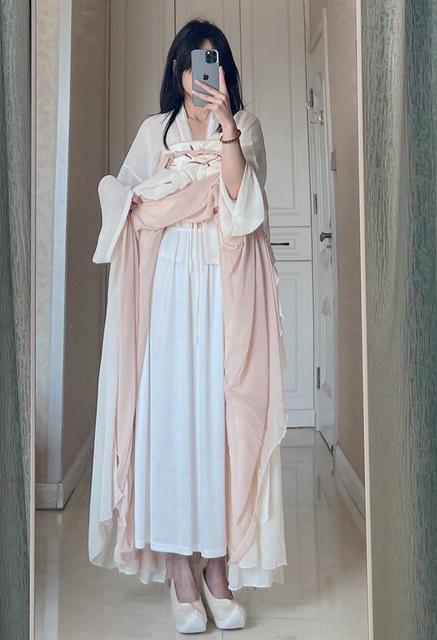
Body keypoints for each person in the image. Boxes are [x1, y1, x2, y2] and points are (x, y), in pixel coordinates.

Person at [88, 18, 288, 634]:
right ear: (178, 73)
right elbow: (125, 199)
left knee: (223, 422)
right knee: (174, 419)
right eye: (193, 63)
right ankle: (182, 572)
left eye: (213, 62)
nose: (203, 74)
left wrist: (225, 128)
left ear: (224, 71)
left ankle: (218, 572)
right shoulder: (157, 131)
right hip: (171, 289)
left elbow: (242, 203)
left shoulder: (245, 126)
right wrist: (161, 195)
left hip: (226, 289)